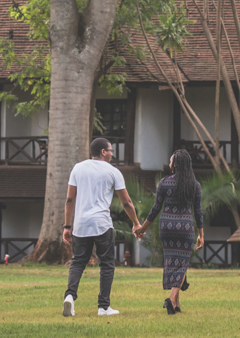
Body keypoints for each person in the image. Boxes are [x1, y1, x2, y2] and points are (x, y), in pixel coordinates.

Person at [62, 136, 141, 317]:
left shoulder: (78, 168)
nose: (112, 154)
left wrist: (67, 226)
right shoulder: (113, 172)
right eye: (111, 150)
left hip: (80, 224)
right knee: (106, 264)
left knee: (78, 262)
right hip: (102, 225)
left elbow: (69, 200)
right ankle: (103, 307)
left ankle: (69, 297)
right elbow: (127, 203)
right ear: (103, 152)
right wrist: (136, 223)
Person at [134, 148, 204, 315]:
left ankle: (177, 305)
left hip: (167, 227)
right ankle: (171, 299)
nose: (170, 163)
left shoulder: (164, 182)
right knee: (182, 263)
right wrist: (201, 234)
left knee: (172, 262)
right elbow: (198, 211)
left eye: (171, 161)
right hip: (185, 228)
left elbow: (155, 208)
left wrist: (142, 228)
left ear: (176, 165)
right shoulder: (195, 185)